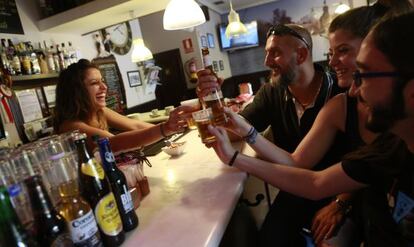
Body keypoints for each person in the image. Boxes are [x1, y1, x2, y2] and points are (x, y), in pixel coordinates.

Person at [208, 12, 414, 246]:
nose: (355, 91)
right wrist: (218, 105)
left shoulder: (340, 89)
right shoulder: (387, 144)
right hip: (309, 185)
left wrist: (341, 203)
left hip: (343, 192)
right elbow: (307, 174)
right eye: (332, 52)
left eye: (364, 75)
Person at [198, 24, 343, 246]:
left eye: (275, 53)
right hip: (294, 188)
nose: (266, 62)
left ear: (301, 54)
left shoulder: (339, 92)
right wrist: (212, 100)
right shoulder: (272, 91)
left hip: (337, 191)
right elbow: (235, 129)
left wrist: (341, 204)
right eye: (266, 53)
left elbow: (362, 160)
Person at [53, 59, 194, 152]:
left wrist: (174, 128)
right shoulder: (71, 127)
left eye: (102, 81)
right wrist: (165, 128)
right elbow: (114, 143)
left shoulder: (99, 110)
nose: (104, 87)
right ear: (76, 91)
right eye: (94, 83)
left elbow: (135, 126)